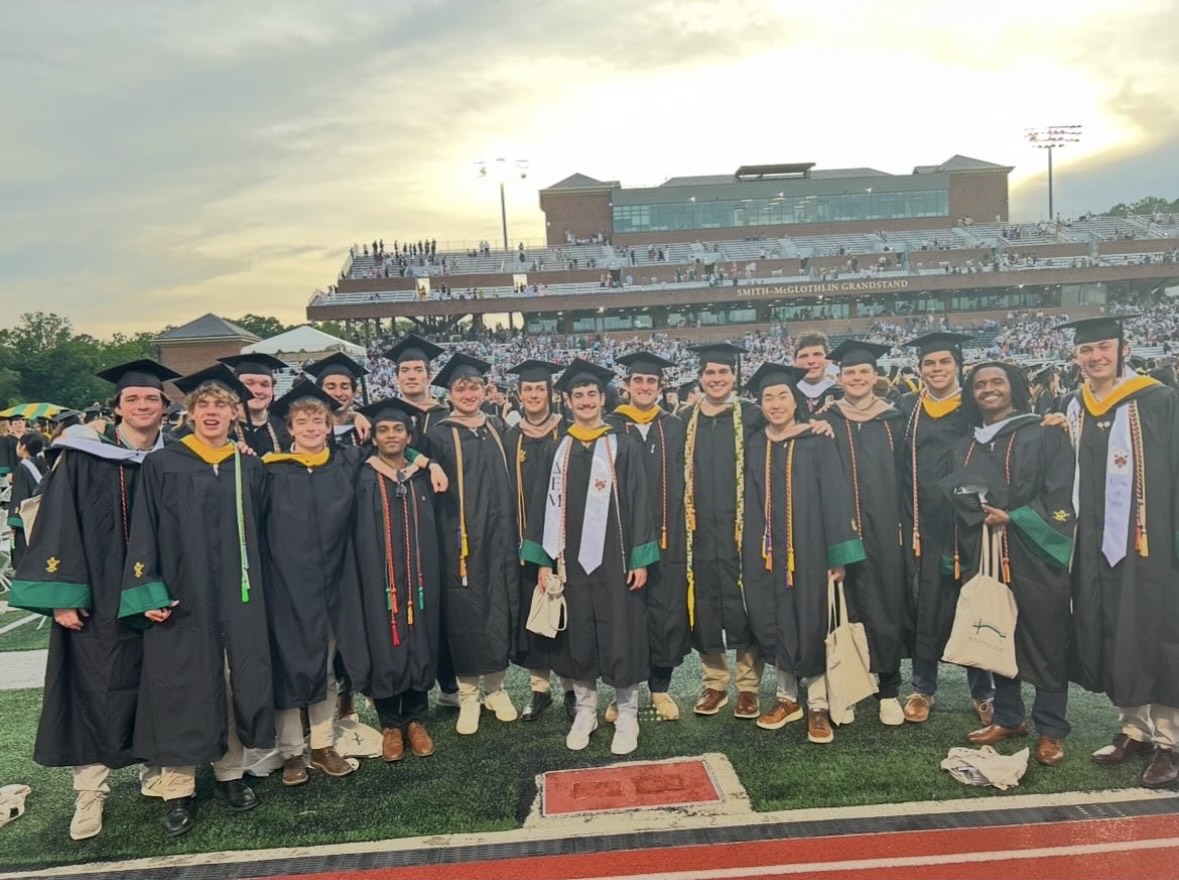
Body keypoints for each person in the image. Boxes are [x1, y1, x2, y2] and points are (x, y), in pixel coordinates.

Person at [7, 359, 177, 841]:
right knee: (93, 685)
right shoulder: (82, 455)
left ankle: (154, 770)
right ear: (117, 407)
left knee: (156, 682)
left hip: (159, 592)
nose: (142, 405)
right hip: (97, 593)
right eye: (133, 399)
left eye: (151, 398)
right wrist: (63, 597)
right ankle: (90, 791)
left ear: (164, 407)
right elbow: (58, 521)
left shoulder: (174, 457)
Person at [117, 363, 273, 837]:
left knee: (234, 678)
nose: (212, 413)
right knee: (178, 685)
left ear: (234, 414)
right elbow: (144, 530)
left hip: (240, 594)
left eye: (221, 406)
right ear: (188, 412)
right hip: (182, 594)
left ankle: (230, 773)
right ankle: (177, 789)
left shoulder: (249, 466)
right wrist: (148, 589)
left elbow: (266, 530)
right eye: (203, 405)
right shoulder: (164, 464)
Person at [1058, 316, 1179, 787]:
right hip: (1093, 545)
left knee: (1158, 632)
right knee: (1113, 631)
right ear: (1076, 357)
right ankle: (1134, 730)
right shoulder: (1073, 406)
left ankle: (1170, 742)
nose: (1095, 357)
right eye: (1086, 350)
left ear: (1123, 349)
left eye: (1103, 347)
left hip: (1150, 542)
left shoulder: (1158, 400)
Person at [940, 362, 1075, 766]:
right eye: (979, 384)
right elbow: (959, 496)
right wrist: (977, 515)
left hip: (1037, 551)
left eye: (996, 381)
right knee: (997, 630)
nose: (988, 389)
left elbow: (1062, 492)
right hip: (988, 549)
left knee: (1047, 638)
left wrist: (1013, 517)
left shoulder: (1045, 433)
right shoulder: (966, 444)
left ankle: (1051, 728)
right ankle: (1009, 718)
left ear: (1013, 386)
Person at [521, 360, 657, 755]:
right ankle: (585, 711)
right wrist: (543, 562)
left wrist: (641, 558)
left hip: (616, 560)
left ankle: (627, 713)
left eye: (591, 394)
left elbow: (639, 501)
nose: (584, 401)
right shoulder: (556, 450)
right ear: (567, 401)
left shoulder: (623, 446)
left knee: (621, 633)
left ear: (602, 399)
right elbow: (541, 506)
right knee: (578, 636)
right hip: (570, 562)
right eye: (577, 395)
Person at [741, 363, 864, 744]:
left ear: (796, 400)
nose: (776, 404)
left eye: (783, 396)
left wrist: (838, 555)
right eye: (768, 397)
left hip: (812, 549)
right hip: (767, 551)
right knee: (774, 617)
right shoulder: (756, 444)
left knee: (813, 621)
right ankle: (786, 698)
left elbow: (836, 497)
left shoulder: (817, 441)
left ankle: (818, 704)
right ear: (760, 404)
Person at [261, 381, 362, 786]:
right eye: (301, 421)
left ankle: (322, 744)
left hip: (335, 584)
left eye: (317, 420)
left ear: (329, 425)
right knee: (289, 669)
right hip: (285, 586)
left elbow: (392, 451)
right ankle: (291, 752)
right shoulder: (270, 471)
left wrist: (424, 460)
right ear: (289, 427)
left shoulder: (344, 464)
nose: (310, 427)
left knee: (325, 667)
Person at [898, 333, 994, 725]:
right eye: (929, 363)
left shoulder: (974, 406)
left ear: (958, 365)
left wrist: (1053, 420)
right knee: (926, 604)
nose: (936, 369)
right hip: (922, 522)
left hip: (967, 521)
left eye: (944, 362)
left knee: (973, 601)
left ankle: (983, 691)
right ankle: (923, 687)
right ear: (919, 368)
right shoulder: (908, 407)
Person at [426, 353, 521, 735]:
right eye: (461, 387)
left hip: (501, 539)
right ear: (449, 393)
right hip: (459, 541)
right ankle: (468, 695)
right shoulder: (438, 434)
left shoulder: (498, 427)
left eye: (474, 387)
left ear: (485, 390)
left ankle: (496, 689)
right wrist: (425, 461)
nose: (468, 393)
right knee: (465, 613)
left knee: (500, 607)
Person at [348, 397, 443, 763]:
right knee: (383, 642)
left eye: (398, 429)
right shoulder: (361, 475)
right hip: (377, 578)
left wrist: (426, 462)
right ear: (373, 437)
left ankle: (416, 720)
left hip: (419, 577)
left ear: (408, 436)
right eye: (383, 429)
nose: (391, 435)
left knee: (421, 638)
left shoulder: (421, 475)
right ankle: (390, 724)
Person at [825, 340, 907, 726]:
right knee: (846, 606)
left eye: (863, 372)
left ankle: (889, 688)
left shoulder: (895, 421)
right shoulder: (828, 421)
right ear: (839, 378)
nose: (857, 378)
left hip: (886, 530)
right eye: (849, 372)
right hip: (840, 529)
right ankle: (850, 687)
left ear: (875, 376)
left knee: (886, 605)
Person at [682, 343, 765, 720]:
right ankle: (714, 682)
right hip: (699, 528)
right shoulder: (685, 419)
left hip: (742, 527)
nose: (716, 379)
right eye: (710, 373)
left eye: (723, 372)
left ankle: (748, 687)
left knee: (744, 601)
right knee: (705, 603)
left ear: (735, 376)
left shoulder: (752, 415)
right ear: (700, 378)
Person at [607, 351, 689, 721]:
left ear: (660, 386)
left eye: (651, 381)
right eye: (637, 380)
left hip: (668, 535)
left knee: (665, 610)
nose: (644, 386)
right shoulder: (610, 427)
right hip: (620, 537)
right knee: (625, 613)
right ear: (626, 385)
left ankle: (660, 688)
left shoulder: (674, 425)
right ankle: (622, 692)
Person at [384, 334, 457, 707]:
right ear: (396, 376)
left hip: (443, 518)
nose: (411, 375)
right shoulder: (385, 417)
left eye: (418, 369)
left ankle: (451, 684)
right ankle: (415, 687)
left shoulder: (447, 415)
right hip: (401, 522)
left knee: (446, 602)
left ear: (429, 375)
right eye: (405, 370)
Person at [503, 359, 573, 722]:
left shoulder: (568, 431)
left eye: (539, 389)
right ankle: (539, 688)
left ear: (550, 393)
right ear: (519, 393)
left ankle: (571, 688)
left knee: (568, 614)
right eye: (528, 389)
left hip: (565, 539)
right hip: (523, 538)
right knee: (533, 613)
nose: (533, 395)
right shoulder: (510, 436)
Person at [218, 353, 292, 456]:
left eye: (265, 385)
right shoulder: (219, 428)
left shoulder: (285, 428)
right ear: (234, 388)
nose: (258, 391)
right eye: (249, 383)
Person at [303, 352, 369, 447]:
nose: (338, 393)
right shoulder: (306, 433)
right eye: (331, 387)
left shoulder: (366, 431)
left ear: (354, 393)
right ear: (319, 392)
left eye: (345, 387)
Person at [8, 431, 45, 566]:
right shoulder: (42, 464)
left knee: (23, 556)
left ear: (23, 447)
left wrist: (14, 522)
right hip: (42, 516)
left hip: (26, 520)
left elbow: (19, 497)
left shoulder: (22, 468)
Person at [792, 331, 841, 416]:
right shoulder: (787, 394)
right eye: (804, 356)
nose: (811, 361)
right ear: (794, 361)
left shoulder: (842, 395)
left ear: (829, 359)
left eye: (817, 354)